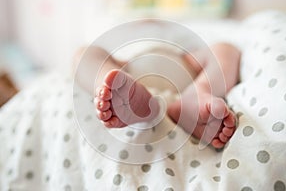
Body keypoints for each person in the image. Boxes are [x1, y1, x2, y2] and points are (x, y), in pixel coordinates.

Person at [75, 42, 240, 149]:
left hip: (184, 67)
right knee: (84, 53)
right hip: (130, 74)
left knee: (225, 48)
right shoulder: (127, 56)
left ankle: (198, 93)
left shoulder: (181, 50)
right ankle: (110, 89)